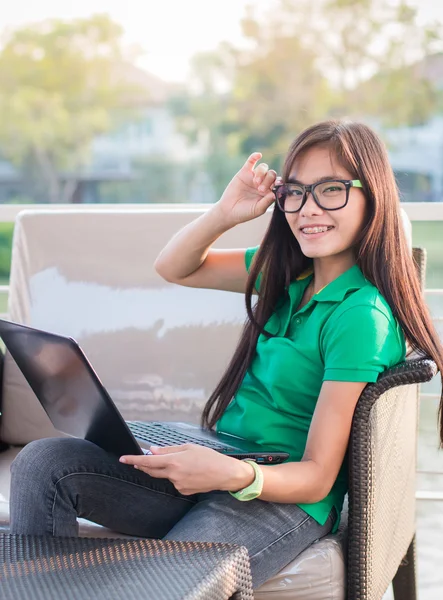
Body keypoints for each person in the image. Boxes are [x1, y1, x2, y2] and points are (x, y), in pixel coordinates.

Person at [9, 120, 443, 590]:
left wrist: (231, 474)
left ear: (371, 196)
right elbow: (175, 266)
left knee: (163, 582)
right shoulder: (287, 273)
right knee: (43, 463)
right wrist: (225, 211)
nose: (307, 209)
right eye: (294, 192)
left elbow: (318, 478)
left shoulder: (361, 316)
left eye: (331, 190)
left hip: (283, 498)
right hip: (226, 458)